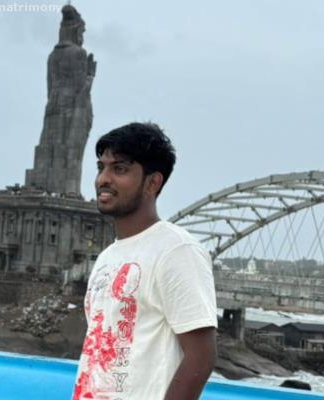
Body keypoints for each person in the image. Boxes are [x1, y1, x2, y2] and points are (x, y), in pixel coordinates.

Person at [72, 122, 218, 400]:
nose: (103, 179)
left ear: (153, 182)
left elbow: (201, 356)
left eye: (119, 169)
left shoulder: (177, 250)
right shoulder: (107, 257)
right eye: (101, 167)